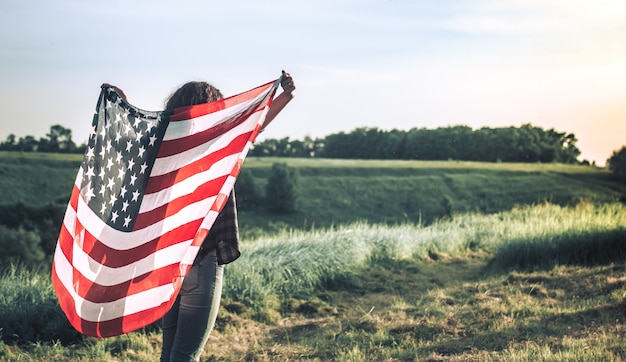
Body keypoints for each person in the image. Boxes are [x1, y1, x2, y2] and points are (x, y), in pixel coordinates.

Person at [104, 71, 296, 361]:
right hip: (202, 259)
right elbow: (256, 125)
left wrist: (121, 101)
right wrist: (286, 96)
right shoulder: (220, 144)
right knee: (185, 355)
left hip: (167, 263)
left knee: (170, 353)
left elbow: (131, 138)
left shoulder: (163, 146)